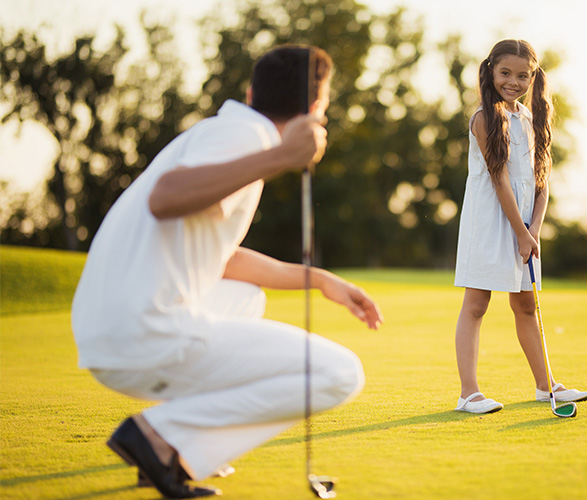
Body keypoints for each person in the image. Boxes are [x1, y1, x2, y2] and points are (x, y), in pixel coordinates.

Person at [71, 45, 384, 498]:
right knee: (340, 374)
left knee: (245, 298)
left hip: (112, 332)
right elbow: (166, 197)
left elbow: (224, 258)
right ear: (316, 107)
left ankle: (174, 446)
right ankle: (161, 436)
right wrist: (279, 157)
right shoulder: (244, 137)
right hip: (142, 333)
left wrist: (320, 280)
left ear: (251, 91)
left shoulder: (227, 132)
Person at [453, 39, 587, 414]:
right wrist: (520, 231)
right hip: (490, 222)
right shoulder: (484, 118)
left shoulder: (533, 119)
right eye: (505, 74)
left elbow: (541, 183)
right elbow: (499, 181)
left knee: (526, 304)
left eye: (522, 75)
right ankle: (469, 394)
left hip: (524, 226)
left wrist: (533, 231)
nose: (513, 82)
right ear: (491, 71)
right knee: (477, 304)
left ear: (534, 77)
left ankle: (546, 386)